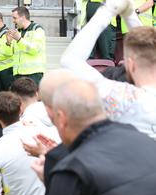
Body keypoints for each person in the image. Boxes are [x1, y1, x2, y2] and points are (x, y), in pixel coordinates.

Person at [60, 0, 156, 140]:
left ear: (130, 65)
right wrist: (130, 16)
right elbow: (148, 48)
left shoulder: (124, 98)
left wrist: (109, 11)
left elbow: (69, 60)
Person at [8, 7, 46, 86]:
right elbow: (12, 54)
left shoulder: (37, 29)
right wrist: (8, 42)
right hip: (18, 74)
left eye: (15, 18)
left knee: (31, 98)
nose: (13, 21)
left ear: (23, 18)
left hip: (33, 74)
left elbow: (34, 49)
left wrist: (19, 39)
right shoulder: (18, 32)